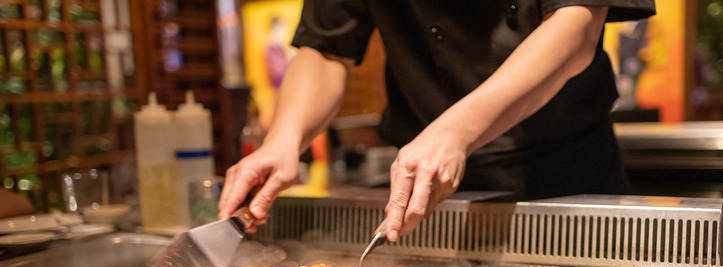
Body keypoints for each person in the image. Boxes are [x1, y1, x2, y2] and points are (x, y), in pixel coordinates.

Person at [219, 0, 656, 242]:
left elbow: (577, 23)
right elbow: (326, 47)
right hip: (425, 195)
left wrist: (457, 130)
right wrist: (283, 138)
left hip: (568, 177)